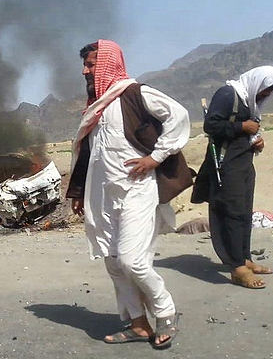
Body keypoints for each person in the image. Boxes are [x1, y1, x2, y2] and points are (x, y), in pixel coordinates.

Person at [67, 40, 190, 349]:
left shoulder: (134, 93)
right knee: (113, 261)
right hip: (103, 194)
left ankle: (165, 311)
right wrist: (80, 193)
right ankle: (138, 324)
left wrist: (156, 157)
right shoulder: (97, 107)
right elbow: (89, 155)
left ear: (108, 64)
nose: (85, 70)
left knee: (133, 260)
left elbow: (178, 115)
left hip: (137, 189)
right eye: (85, 65)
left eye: (91, 64)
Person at [192, 66, 273, 289]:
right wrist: (243, 126)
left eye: (270, 91)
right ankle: (236, 268)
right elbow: (211, 125)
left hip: (244, 164)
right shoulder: (228, 94)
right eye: (266, 89)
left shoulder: (249, 101)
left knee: (244, 213)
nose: (267, 95)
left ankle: (244, 258)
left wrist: (257, 140)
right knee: (231, 213)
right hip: (226, 165)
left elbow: (251, 131)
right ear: (257, 83)